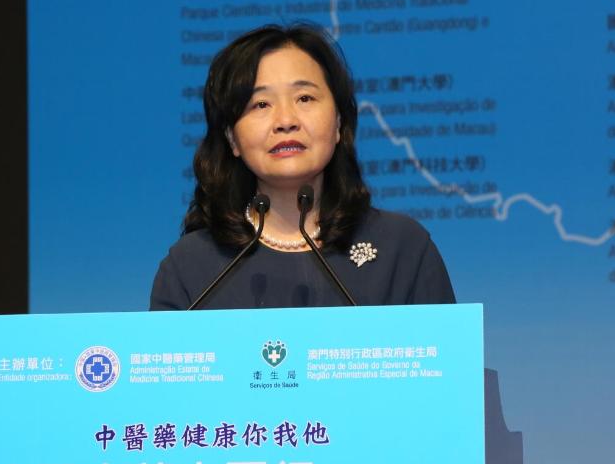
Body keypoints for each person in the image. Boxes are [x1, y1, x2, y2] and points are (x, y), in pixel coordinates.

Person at [149, 23, 455, 310]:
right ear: (232, 138)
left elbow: (445, 351)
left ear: (339, 123)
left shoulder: (403, 249)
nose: (286, 121)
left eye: (305, 98)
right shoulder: (190, 266)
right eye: (261, 104)